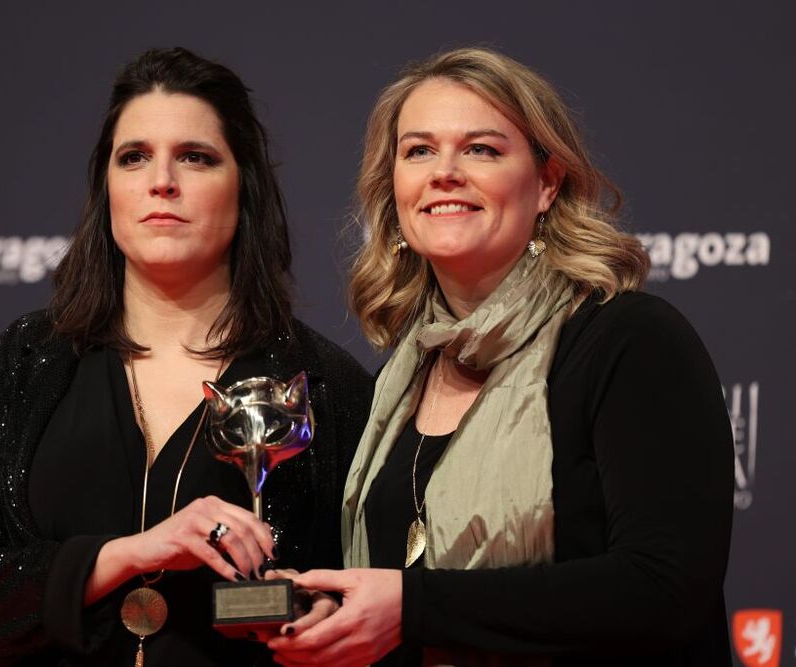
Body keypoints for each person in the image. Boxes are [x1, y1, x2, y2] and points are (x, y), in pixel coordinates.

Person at [267, 47, 734, 667]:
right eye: (418, 151)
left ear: (547, 183)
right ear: (394, 191)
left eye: (481, 149)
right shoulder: (397, 384)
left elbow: (665, 588)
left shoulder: (631, 341)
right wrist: (329, 611)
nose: (445, 172)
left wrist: (413, 607)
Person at [0, 47, 371, 666]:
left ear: (246, 187)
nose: (162, 181)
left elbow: (367, 596)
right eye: (134, 158)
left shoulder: (322, 385)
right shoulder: (25, 363)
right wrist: (131, 553)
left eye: (195, 157)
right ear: (108, 188)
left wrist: (321, 617)